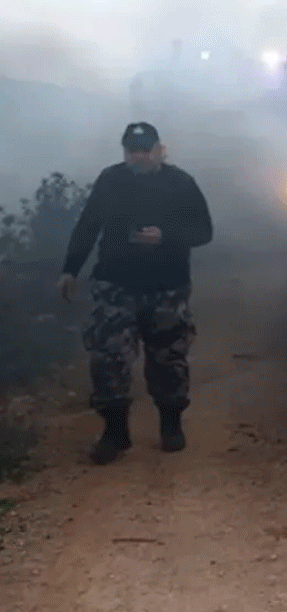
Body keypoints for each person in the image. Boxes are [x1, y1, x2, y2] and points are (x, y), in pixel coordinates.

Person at [58, 122, 213, 465]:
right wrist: (70, 269)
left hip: (167, 286)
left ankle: (171, 426)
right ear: (124, 151)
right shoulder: (111, 180)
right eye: (132, 150)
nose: (138, 156)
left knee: (168, 359)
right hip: (116, 283)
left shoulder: (180, 183)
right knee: (107, 357)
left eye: (145, 149)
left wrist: (166, 236)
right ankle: (115, 432)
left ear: (159, 149)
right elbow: (88, 225)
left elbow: (204, 230)